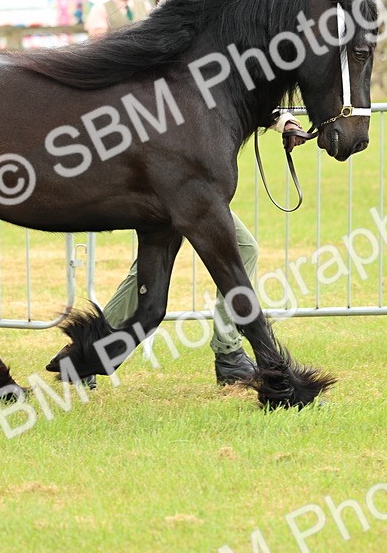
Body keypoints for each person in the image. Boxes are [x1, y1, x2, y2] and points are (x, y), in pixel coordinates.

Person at [80, 108, 309, 388]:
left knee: (229, 251)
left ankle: (227, 353)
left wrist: (281, 120)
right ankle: (228, 355)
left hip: (186, 177)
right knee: (153, 270)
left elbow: (227, 91)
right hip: (176, 177)